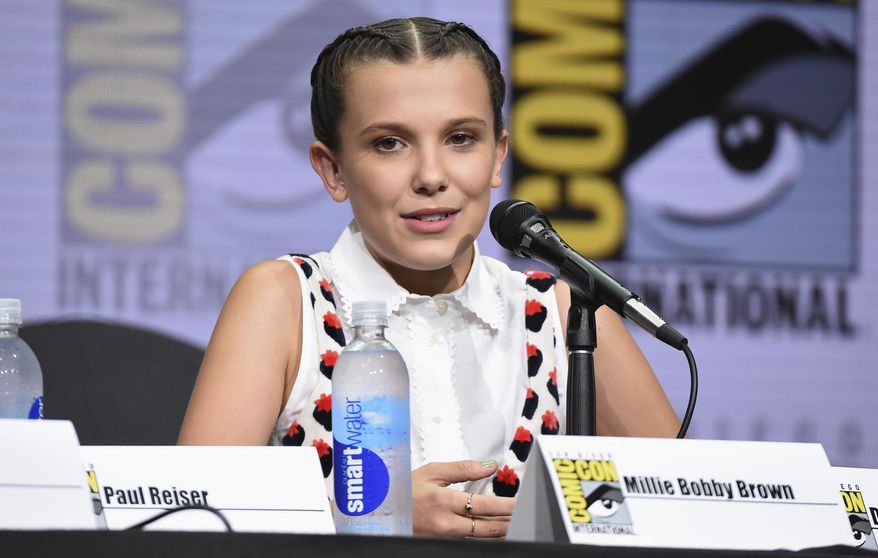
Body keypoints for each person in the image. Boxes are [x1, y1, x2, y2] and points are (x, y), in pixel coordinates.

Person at [178, 16, 680, 539]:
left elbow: (692, 510)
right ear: (332, 170)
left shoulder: (562, 314)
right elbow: (189, 521)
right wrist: (370, 515)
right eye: (390, 144)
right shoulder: (285, 300)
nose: (432, 176)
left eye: (461, 138)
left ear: (498, 156)